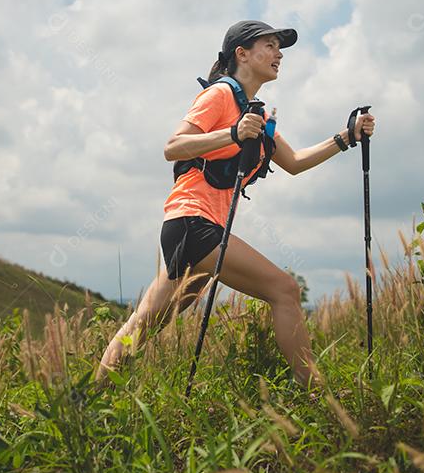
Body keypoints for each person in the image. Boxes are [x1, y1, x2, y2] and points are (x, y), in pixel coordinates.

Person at [94, 20, 376, 389]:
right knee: (286, 290)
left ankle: (89, 400)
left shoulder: (253, 112)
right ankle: (319, 395)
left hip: (190, 226)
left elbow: (294, 163)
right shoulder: (220, 96)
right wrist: (232, 133)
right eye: (270, 45)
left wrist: (347, 136)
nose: (278, 54)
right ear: (241, 54)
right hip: (193, 221)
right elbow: (172, 147)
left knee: (145, 322)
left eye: (280, 47)